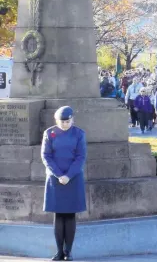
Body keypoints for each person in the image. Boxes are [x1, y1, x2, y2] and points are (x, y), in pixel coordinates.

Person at [41, 106, 87, 261]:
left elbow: (80, 157)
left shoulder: (79, 134)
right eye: (62, 122)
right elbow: (46, 156)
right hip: (55, 179)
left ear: (72, 119)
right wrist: (59, 175)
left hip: (73, 178)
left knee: (70, 215)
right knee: (58, 215)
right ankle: (59, 251)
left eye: (68, 121)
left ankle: (69, 251)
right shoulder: (50, 133)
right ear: (57, 120)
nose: (65, 124)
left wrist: (69, 175)